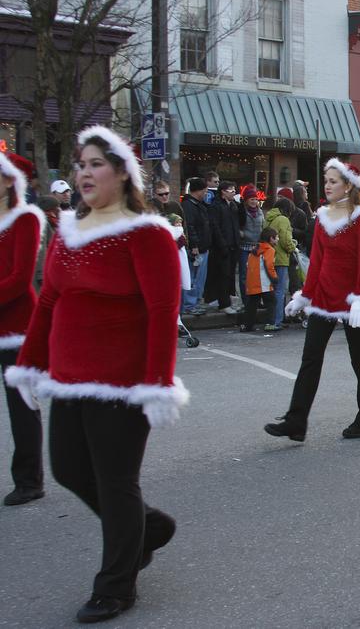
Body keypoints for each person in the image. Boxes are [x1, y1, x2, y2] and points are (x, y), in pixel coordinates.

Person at [5, 126, 186, 623]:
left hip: (123, 381)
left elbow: (162, 309)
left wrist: (156, 382)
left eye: (95, 164)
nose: (83, 172)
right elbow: (49, 302)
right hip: (68, 376)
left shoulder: (148, 233)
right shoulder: (67, 230)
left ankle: (116, 585)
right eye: (80, 164)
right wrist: (29, 365)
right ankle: (144, 530)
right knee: (66, 469)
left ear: (123, 173)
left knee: (114, 481)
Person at [265, 158, 360, 442]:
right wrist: (305, 297)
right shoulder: (323, 216)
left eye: (333, 181)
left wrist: (359, 298)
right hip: (325, 296)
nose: (327, 185)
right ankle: (296, 421)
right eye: (326, 180)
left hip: (353, 298)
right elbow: (317, 261)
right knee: (311, 357)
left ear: (348, 185)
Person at [0, 152, 45, 507]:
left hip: (17, 327)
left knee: (22, 406)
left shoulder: (26, 218)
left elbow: (19, 278)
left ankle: (29, 481)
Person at [205, 181, 241, 314]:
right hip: (222, 247)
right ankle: (223, 303)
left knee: (231, 276)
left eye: (234, 190)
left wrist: (239, 204)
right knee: (223, 276)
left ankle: (230, 301)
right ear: (223, 192)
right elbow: (215, 227)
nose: (233, 192)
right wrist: (222, 244)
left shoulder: (233, 205)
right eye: (231, 190)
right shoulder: (216, 206)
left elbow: (239, 222)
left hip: (233, 244)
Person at [263, 196, 297, 328]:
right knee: (279, 290)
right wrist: (293, 248)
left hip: (269, 256)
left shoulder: (268, 218)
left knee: (271, 290)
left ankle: (270, 319)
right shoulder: (283, 219)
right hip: (281, 258)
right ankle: (277, 320)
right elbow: (285, 239)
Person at [181, 177, 212, 314]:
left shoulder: (199, 204)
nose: (206, 193)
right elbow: (190, 226)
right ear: (198, 191)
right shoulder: (189, 206)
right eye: (204, 191)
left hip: (203, 246)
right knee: (193, 278)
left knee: (199, 278)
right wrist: (194, 245)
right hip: (196, 248)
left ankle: (195, 302)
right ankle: (190, 305)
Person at [241, 228, 278, 332]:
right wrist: (274, 278)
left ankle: (247, 325)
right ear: (271, 239)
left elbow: (247, 265)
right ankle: (270, 324)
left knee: (252, 304)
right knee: (272, 302)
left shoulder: (254, 250)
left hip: (252, 281)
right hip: (264, 282)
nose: (278, 239)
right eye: (277, 237)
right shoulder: (270, 250)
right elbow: (269, 266)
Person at [238, 186, 264, 307]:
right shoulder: (242, 211)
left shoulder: (260, 212)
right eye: (251, 199)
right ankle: (246, 301)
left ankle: (256, 301)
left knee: (256, 276)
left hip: (256, 248)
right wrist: (240, 233)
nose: (254, 201)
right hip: (244, 247)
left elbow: (263, 227)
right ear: (246, 200)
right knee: (244, 276)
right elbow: (237, 225)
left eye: (256, 199)